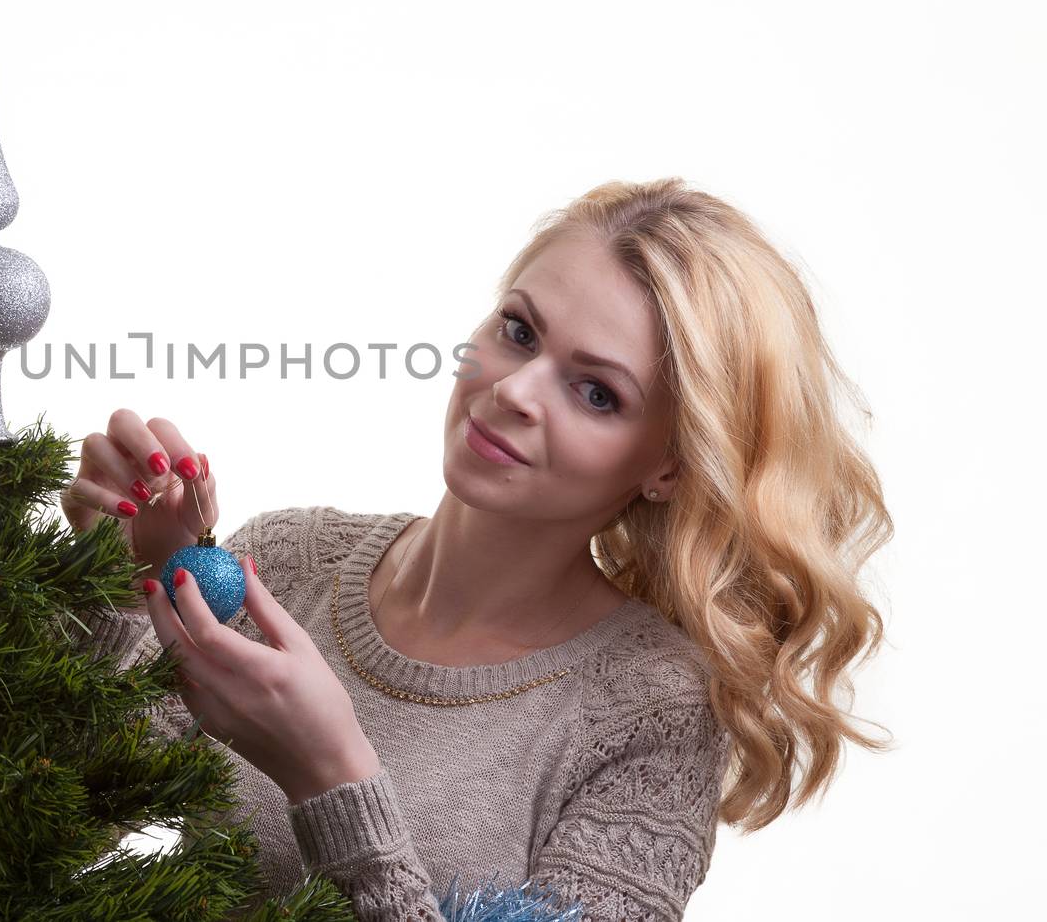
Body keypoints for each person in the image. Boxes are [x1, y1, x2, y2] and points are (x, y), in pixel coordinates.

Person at [62, 178, 893, 921]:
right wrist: (118, 587)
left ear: (670, 465)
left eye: (597, 391)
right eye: (520, 331)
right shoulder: (286, 559)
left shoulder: (653, 711)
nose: (514, 391)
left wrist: (335, 778)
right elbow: (31, 829)